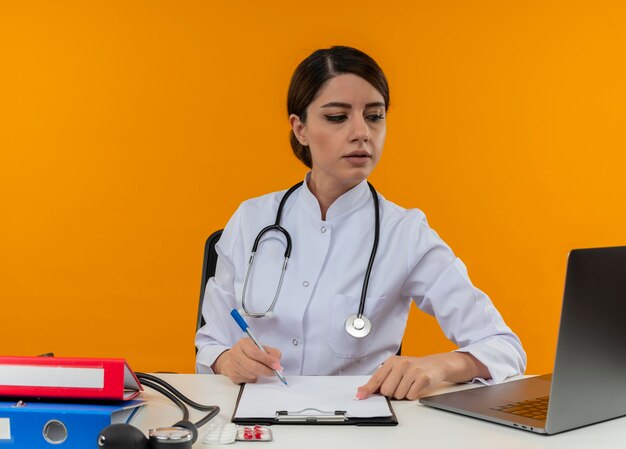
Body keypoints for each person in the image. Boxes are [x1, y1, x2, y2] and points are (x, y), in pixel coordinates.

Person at [195, 46, 526, 400]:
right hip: (256, 418)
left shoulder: (406, 233)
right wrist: (229, 360)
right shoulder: (251, 220)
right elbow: (210, 342)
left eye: (374, 116)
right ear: (300, 129)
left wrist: (438, 366)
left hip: (358, 421)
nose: (361, 132)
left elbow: (505, 347)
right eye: (337, 117)